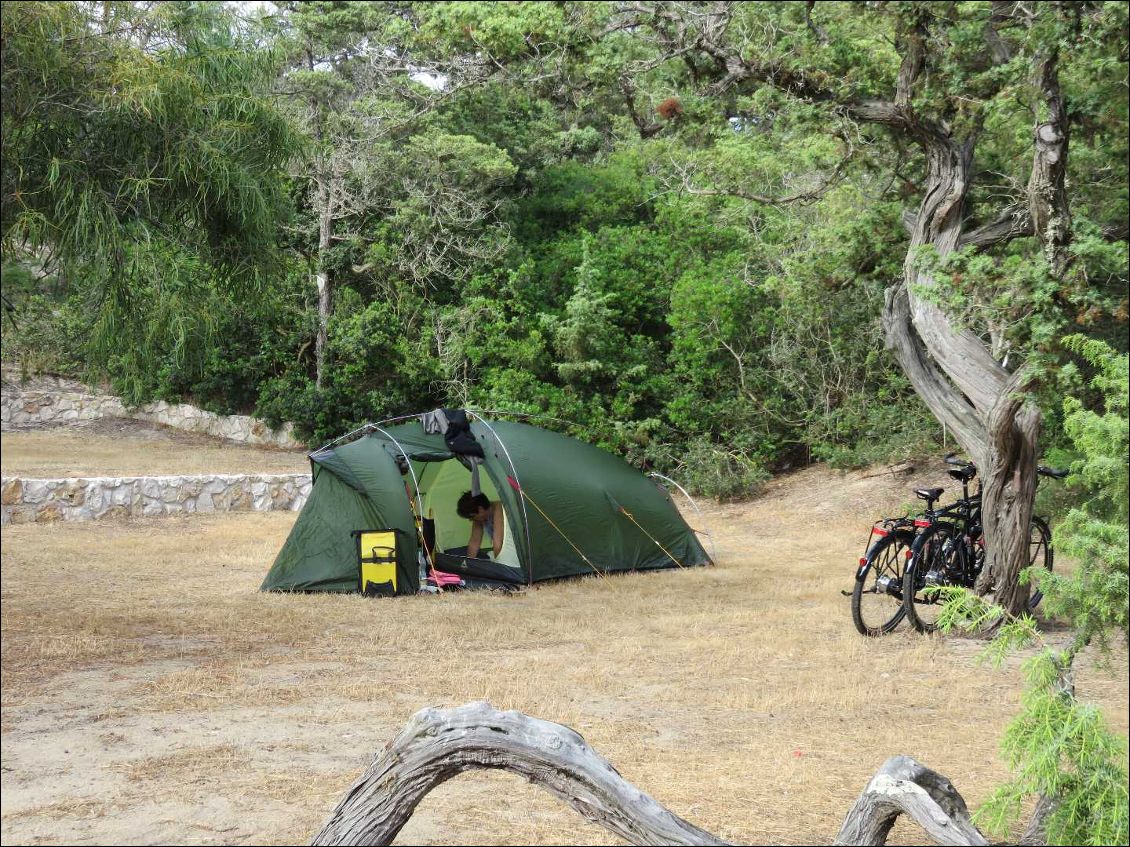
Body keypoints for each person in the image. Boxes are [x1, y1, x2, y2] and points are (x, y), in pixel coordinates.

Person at [456, 491, 504, 559]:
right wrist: (469, 564)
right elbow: (474, 542)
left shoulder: (498, 509)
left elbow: (498, 542)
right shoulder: (479, 517)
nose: (470, 520)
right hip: (500, 549)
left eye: (471, 516)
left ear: (480, 509)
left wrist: (498, 564)